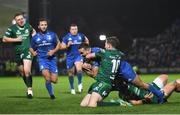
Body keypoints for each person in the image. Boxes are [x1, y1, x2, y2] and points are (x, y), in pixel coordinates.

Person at [80, 37, 124, 107]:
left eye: (105, 44)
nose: (104, 46)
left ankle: (119, 103)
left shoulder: (104, 53)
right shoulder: (120, 54)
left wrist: (85, 63)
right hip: (100, 81)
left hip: (105, 83)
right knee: (83, 104)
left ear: (109, 45)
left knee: (92, 105)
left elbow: (88, 56)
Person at [2, 12, 36, 99]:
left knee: (27, 70)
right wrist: (16, 39)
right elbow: (4, 39)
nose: (21, 20)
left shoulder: (28, 26)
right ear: (16, 21)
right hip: (17, 53)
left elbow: (34, 32)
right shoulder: (12, 29)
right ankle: (28, 87)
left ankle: (29, 90)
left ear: (24, 19)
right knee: (22, 72)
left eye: (21, 19)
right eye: (18, 20)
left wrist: (34, 42)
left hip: (27, 51)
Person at [30, 18, 60, 99]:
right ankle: (51, 95)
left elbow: (58, 44)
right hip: (42, 59)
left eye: (45, 25)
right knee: (47, 78)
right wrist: (33, 52)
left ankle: (51, 80)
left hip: (52, 59)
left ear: (47, 26)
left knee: (54, 80)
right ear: (39, 26)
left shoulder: (52, 35)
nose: (44, 26)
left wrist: (53, 51)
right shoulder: (35, 37)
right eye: (42, 25)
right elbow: (30, 47)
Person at [113, 74, 180, 105]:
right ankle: (162, 96)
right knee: (176, 83)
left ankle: (164, 92)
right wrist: (146, 100)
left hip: (152, 88)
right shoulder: (123, 94)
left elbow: (141, 83)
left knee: (164, 76)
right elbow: (135, 103)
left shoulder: (129, 81)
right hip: (153, 97)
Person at [60, 24, 89, 94]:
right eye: (73, 29)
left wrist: (85, 47)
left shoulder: (81, 35)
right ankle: (72, 88)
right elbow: (61, 47)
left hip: (78, 56)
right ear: (70, 30)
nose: (74, 31)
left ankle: (79, 83)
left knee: (79, 70)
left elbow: (87, 41)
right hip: (70, 57)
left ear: (77, 29)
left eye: (75, 29)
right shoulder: (66, 37)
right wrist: (67, 45)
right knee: (71, 73)